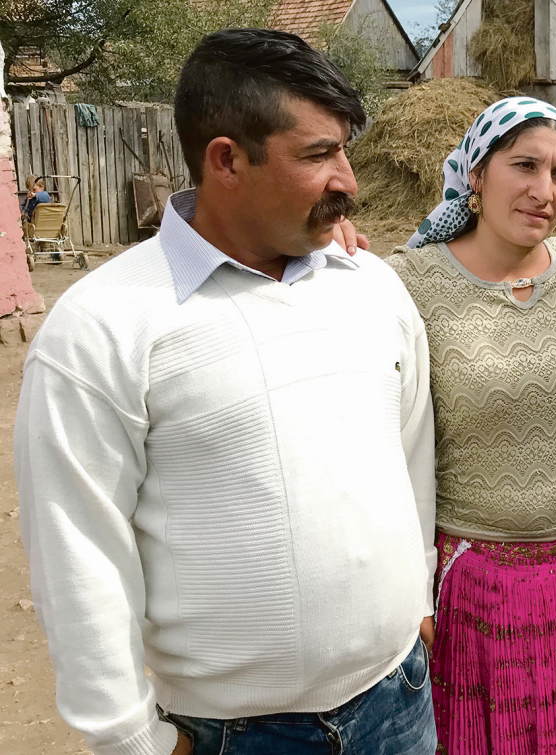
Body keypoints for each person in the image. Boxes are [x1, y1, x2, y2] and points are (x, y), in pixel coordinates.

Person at [15, 29, 437, 755]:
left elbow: (411, 449)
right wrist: (130, 740)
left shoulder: (371, 285)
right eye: (317, 155)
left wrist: (418, 595)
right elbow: (78, 548)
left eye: (343, 151)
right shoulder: (104, 325)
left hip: (399, 704)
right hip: (232, 738)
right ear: (226, 160)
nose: (348, 181)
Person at [386, 97, 556, 753]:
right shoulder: (407, 284)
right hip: (477, 588)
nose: (545, 191)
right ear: (476, 173)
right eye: (525, 166)